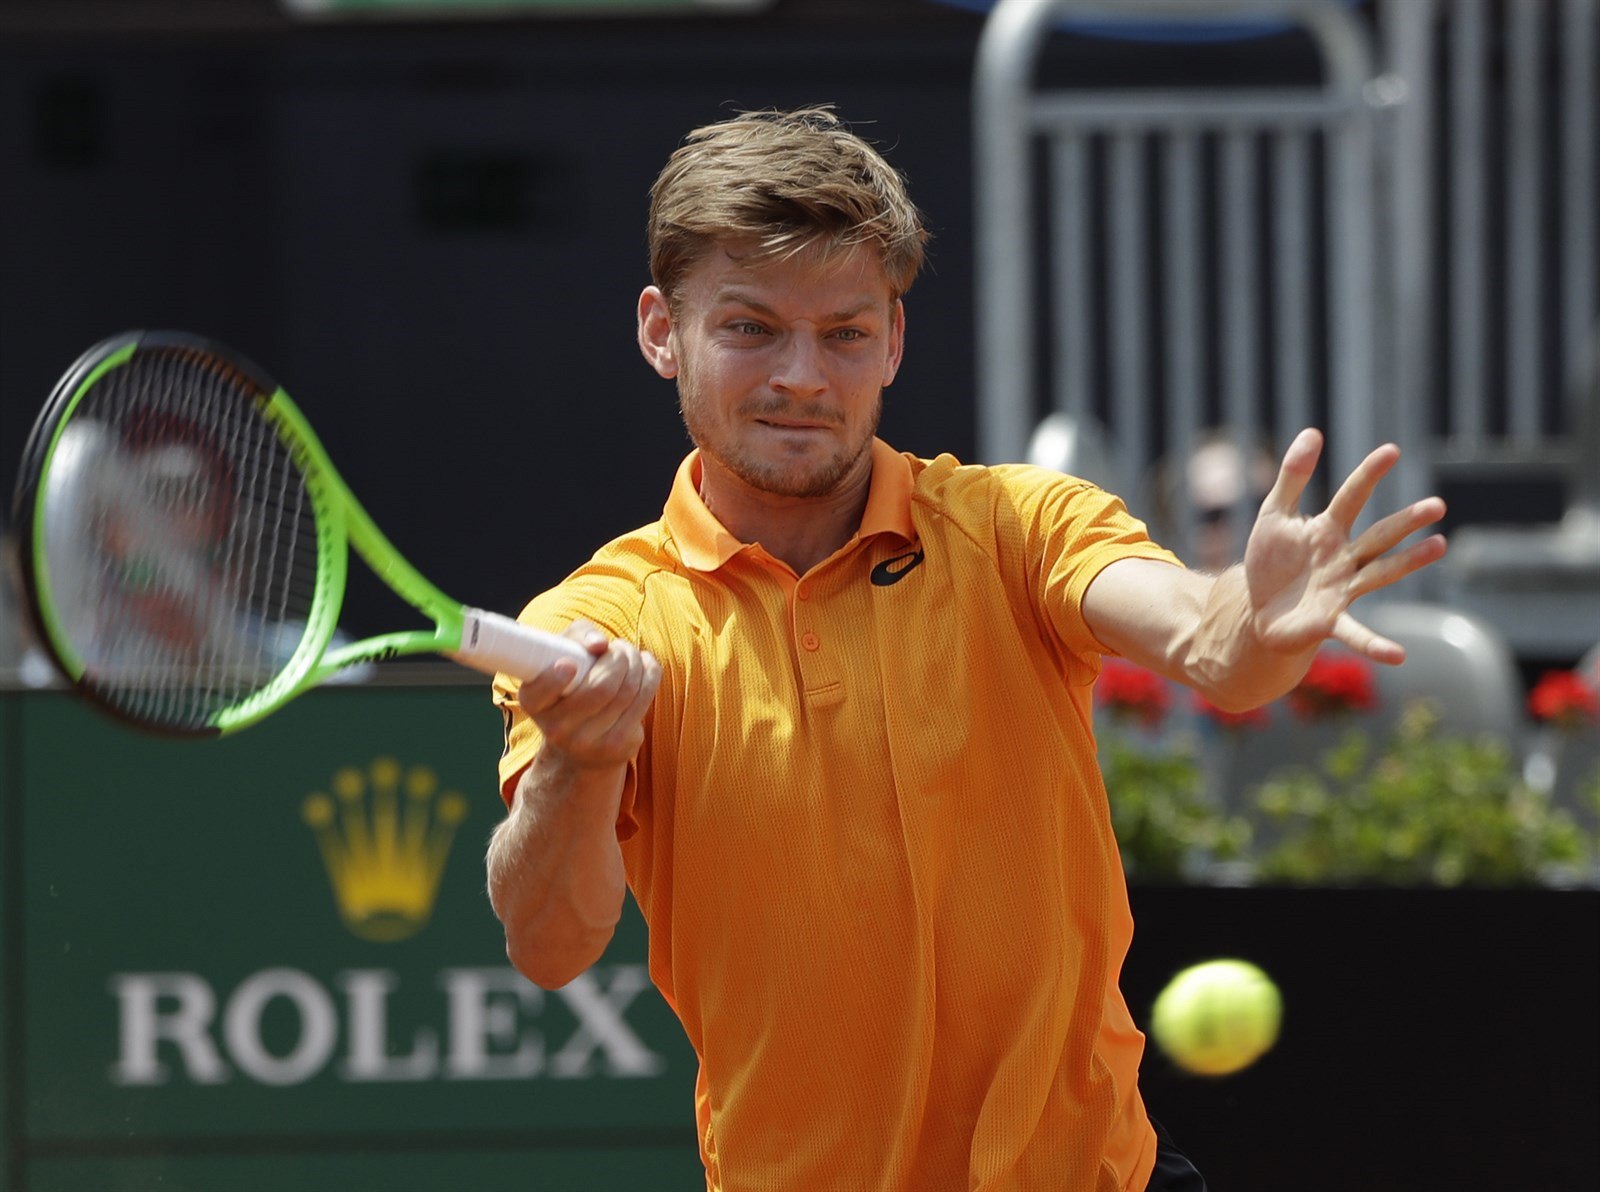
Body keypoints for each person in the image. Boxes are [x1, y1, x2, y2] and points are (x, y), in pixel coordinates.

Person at [486, 106, 1446, 1192]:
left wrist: (1255, 622)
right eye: (751, 328)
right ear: (663, 331)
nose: (803, 375)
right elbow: (549, 945)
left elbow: (1208, 643)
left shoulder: (1015, 526)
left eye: (845, 333)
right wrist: (578, 760)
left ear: (893, 341)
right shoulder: (599, 619)